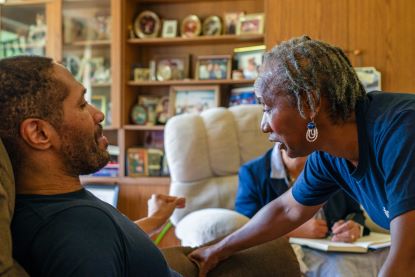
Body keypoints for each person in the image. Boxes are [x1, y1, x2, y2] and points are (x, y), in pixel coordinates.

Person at [188, 36, 415, 277]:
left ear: (309, 102)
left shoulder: (402, 130)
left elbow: (407, 259)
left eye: (267, 108)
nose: (264, 125)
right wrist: (219, 250)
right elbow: (287, 210)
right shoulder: (330, 155)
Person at [0, 56, 184, 277]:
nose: (99, 113)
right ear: (39, 133)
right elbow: (86, 245)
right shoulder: (73, 231)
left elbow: (107, 245)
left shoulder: (49, 211)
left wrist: (154, 220)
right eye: (81, 104)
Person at [236, 144, 370, 242]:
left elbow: (356, 213)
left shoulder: (332, 164)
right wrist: (291, 231)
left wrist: (353, 227)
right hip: (285, 249)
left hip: (333, 247)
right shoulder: (252, 173)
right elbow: (244, 224)